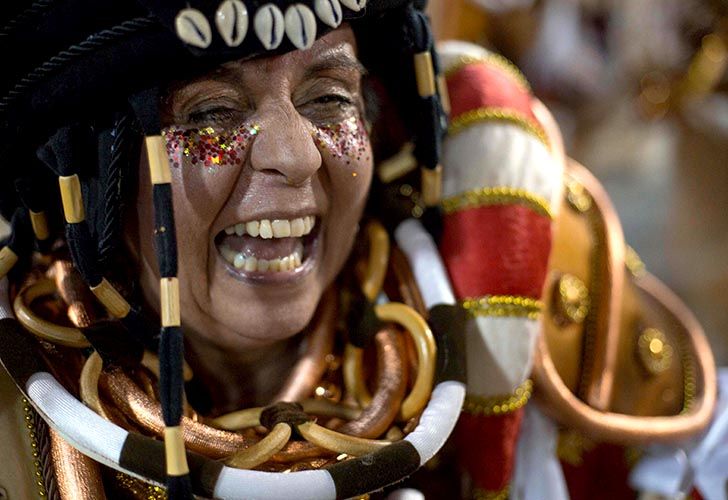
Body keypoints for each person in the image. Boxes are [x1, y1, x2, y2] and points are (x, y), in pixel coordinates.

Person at [0, 1, 718, 499]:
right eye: (212, 110)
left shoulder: (536, 285)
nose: (295, 155)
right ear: (92, 172)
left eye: (328, 96)